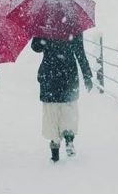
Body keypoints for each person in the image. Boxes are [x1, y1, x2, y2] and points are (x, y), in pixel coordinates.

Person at [31, 33, 93, 162]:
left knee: (51, 113)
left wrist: (44, 39)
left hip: (50, 73)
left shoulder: (43, 24)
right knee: (68, 110)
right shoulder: (73, 24)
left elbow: (36, 47)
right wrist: (87, 75)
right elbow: (79, 51)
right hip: (68, 73)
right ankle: (69, 139)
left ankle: (55, 149)